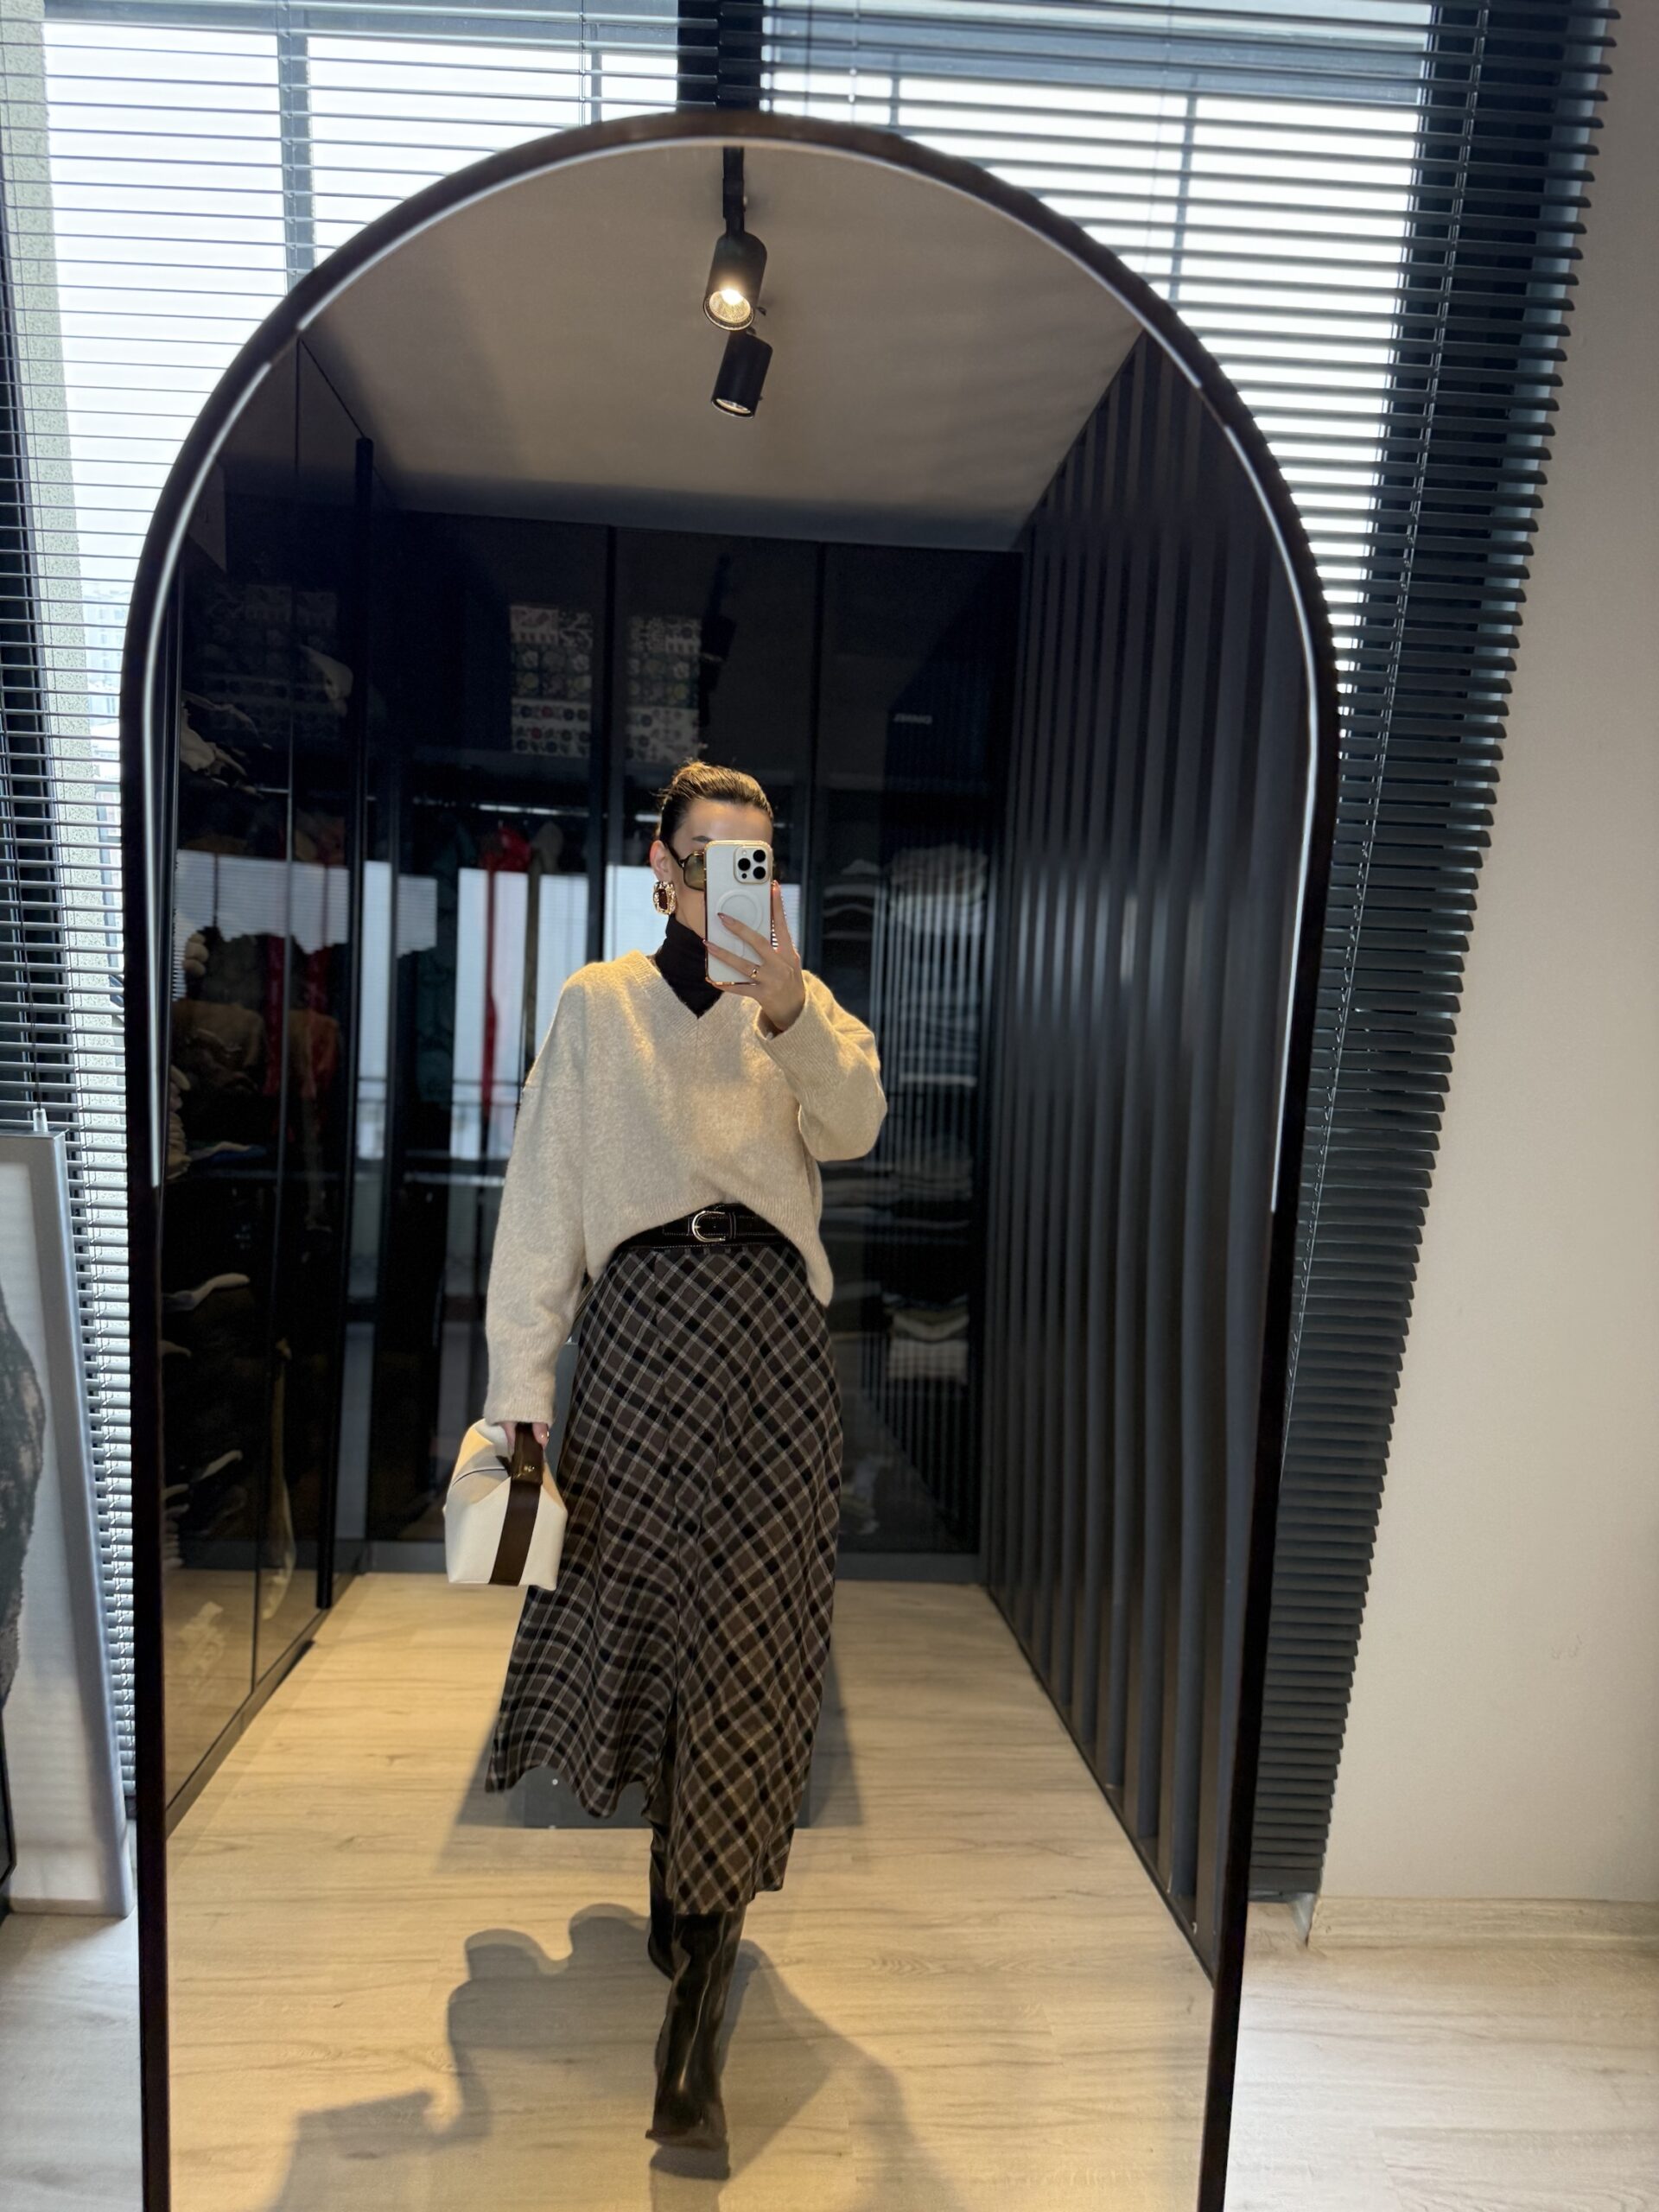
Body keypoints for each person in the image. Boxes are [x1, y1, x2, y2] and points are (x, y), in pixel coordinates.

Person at [480, 758, 887, 2155]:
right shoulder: (598, 1006)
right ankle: (682, 1886)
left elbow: (857, 1127)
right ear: (662, 869)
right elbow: (542, 1214)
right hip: (646, 1343)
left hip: (772, 1346)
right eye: (708, 857)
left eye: (754, 860)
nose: (731, 883)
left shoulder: (799, 1009)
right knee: (656, 1629)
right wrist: (520, 1410)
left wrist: (788, 1009)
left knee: (754, 1649)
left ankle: (698, 2000)